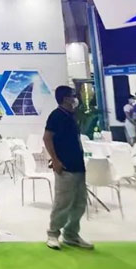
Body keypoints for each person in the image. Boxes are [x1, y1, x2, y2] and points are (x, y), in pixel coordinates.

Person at [44, 85, 93, 251]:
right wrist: (55, 160)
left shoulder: (72, 116)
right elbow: (47, 138)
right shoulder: (56, 116)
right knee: (63, 202)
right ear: (65, 98)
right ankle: (53, 233)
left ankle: (71, 235)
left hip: (78, 165)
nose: (75, 98)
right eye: (72, 95)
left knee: (79, 203)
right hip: (65, 166)